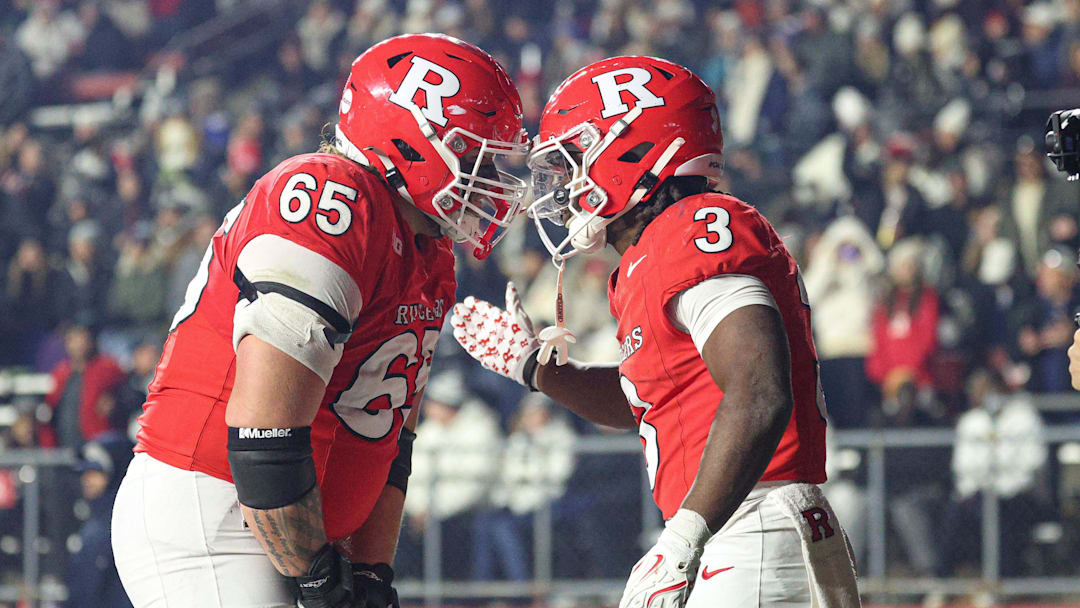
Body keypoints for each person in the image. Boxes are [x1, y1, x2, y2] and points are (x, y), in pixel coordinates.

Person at [110, 33, 528, 608]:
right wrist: (318, 580)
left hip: (295, 532)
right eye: (479, 152)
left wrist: (372, 572)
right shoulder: (331, 198)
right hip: (220, 514)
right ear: (415, 142)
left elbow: (389, 443)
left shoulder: (430, 253)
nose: (497, 180)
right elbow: (265, 434)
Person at [453, 56, 858, 608]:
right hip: (739, 524)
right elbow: (643, 401)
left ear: (632, 149)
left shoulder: (696, 227)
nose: (563, 187)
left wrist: (683, 538)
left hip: (754, 523)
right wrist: (535, 368)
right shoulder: (648, 257)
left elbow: (760, 391)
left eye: (573, 160)